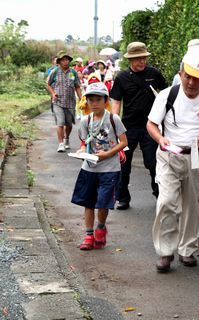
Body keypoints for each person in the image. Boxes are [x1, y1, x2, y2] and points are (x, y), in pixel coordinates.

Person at [146, 51, 199, 273]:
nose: (191, 83)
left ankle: (187, 249)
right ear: (180, 74)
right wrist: (160, 138)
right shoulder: (167, 95)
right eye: (188, 77)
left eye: (197, 78)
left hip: (196, 156)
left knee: (195, 203)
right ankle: (165, 252)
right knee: (167, 201)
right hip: (168, 155)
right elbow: (151, 124)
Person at [110, 42, 168, 210]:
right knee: (123, 163)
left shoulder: (154, 74)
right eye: (137, 59)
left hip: (150, 127)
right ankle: (122, 198)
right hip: (128, 127)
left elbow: (166, 95)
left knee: (153, 162)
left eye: (143, 58)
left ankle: (160, 195)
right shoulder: (122, 77)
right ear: (130, 59)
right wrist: (115, 125)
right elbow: (116, 103)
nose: (141, 62)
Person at [71, 82, 127, 250]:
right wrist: (81, 151)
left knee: (103, 203)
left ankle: (101, 227)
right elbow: (84, 142)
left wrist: (108, 154)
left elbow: (124, 142)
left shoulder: (113, 119)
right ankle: (88, 235)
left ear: (105, 101)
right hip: (89, 168)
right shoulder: (85, 121)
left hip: (110, 168)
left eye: (98, 99)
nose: (94, 103)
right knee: (88, 202)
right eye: (91, 100)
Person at [46, 50, 82, 152]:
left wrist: (81, 98)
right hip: (58, 101)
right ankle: (61, 143)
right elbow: (48, 84)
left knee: (69, 124)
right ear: (60, 61)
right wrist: (53, 93)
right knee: (60, 122)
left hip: (70, 102)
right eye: (63, 60)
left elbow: (77, 86)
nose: (65, 62)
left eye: (67, 60)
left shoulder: (73, 72)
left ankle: (66, 139)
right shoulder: (55, 72)